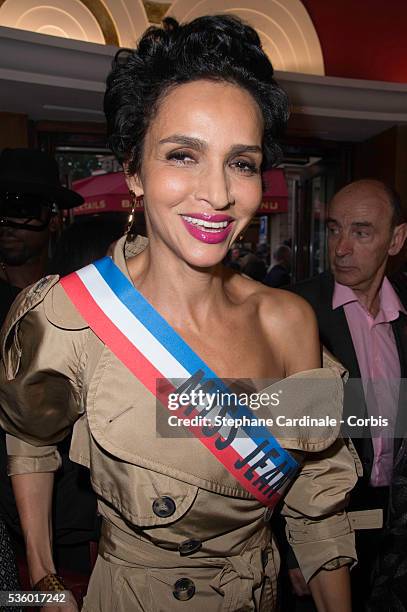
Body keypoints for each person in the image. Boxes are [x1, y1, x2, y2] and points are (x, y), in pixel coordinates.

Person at [0, 16, 358, 611]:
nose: (217, 193)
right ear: (135, 172)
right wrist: (40, 575)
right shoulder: (69, 314)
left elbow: (316, 499)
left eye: (241, 162)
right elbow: (28, 439)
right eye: (183, 155)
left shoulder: (290, 320)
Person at [291, 179, 407, 610]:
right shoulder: (294, 309)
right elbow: (277, 440)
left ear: (395, 239)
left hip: (395, 526)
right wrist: (294, 547)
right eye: (334, 229)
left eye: (361, 232)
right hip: (323, 524)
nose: (340, 247)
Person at [0, 149, 99, 602]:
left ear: (53, 218)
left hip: (85, 524)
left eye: (24, 208)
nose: (9, 221)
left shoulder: (82, 298)